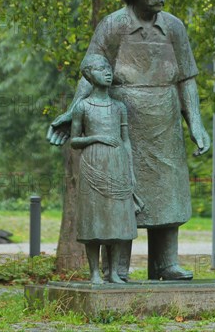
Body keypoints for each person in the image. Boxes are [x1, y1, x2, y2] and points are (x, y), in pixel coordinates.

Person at [48, 0, 210, 280]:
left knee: (169, 189)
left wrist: (197, 124)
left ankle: (166, 263)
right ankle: (116, 269)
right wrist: (73, 110)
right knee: (120, 190)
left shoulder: (174, 26)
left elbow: (187, 78)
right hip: (123, 115)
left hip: (165, 115)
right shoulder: (114, 24)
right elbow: (91, 67)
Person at [70, 54, 138, 284]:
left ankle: (114, 272)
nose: (107, 72)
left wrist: (130, 170)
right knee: (94, 218)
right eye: (100, 69)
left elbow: (126, 140)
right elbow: (74, 141)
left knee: (116, 217)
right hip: (93, 162)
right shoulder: (82, 107)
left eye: (108, 68)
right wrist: (96, 137)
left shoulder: (119, 107)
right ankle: (94, 273)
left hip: (117, 162)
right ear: (89, 75)